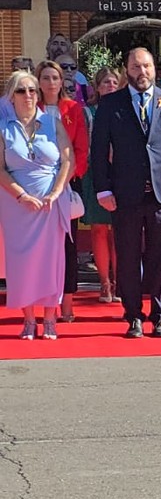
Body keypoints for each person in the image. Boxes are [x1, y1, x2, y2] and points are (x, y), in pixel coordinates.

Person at [90, 47, 161, 339]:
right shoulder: (111, 104)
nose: (142, 72)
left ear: (154, 69)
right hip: (125, 193)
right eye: (136, 67)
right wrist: (103, 189)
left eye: (147, 66)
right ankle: (133, 315)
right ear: (127, 70)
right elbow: (99, 151)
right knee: (127, 256)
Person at [0, 70, 74, 339]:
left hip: (49, 205)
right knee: (22, 264)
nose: (28, 95)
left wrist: (55, 192)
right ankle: (29, 320)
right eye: (22, 90)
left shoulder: (52, 121)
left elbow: (68, 160)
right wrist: (21, 195)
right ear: (12, 95)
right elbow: (0, 169)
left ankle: (50, 319)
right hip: (16, 204)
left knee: (52, 263)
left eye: (33, 90)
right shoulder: (2, 126)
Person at [37, 59, 88, 323]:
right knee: (41, 247)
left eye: (55, 78)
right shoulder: (30, 109)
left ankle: (67, 302)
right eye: (46, 78)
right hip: (36, 186)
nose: (51, 83)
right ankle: (45, 304)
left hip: (67, 184)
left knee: (68, 245)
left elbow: (81, 149)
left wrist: (65, 180)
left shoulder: (73, 109)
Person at [81, 66, 122, 303]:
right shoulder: (88, 112)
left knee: (120, 230)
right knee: (98, 229)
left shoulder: (125, 111)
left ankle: (119, 281)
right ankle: (104, 282)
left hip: (121, 175)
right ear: (97, 87)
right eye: (106, 82)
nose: (110, 86)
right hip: (96, 174)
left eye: (114, 83)